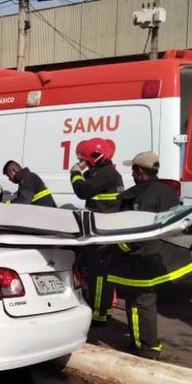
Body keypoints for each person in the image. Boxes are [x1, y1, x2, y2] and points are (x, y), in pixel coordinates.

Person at [106, 151, 192, 360]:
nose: (132, 174)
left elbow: (138, 234)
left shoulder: (141, 197)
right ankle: (143, 342)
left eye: (134, 170)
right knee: (146, 300)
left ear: (140, 172)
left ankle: (145, 347)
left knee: (139, 302)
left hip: (143, 258)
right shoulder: (167, 191)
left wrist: (118, 248)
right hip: (162, 256)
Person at [70, 138, 125, 325]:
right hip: (104, 230)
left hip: (103, 232)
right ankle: (104, 310)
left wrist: (75, 174)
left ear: (96, 156)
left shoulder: (106, 174)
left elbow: (82, 191)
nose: (80, 160)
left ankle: (99, 315)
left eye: (83, 157)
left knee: (99, 274)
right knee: (100, 273)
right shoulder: (105, 173)